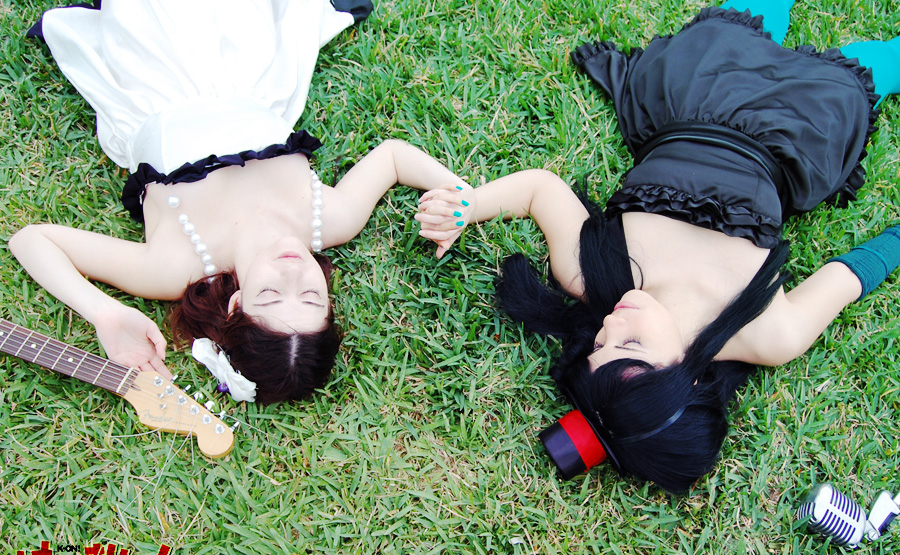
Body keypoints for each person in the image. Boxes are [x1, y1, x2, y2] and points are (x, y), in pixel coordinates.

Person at [415, 1, 900, 492]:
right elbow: (848, 276)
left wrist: (471, 206)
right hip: (793, 131)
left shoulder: (591, 277)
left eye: (598, 345)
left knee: (747, 15)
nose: (611, 324)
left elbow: (541, 190)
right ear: (688, 379)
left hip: (694, 93)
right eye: (631, 345)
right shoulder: (768, 334)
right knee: (873, 69)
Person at [10, 0, 471, 404]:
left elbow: (32, 241)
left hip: (154, 59)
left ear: (235, 306)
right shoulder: (333, 219)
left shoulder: (175, 266)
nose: (293, 272)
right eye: (311, 295)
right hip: (245, 56)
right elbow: (393, 157)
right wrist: (464, 199)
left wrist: (104, 312)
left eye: (270, 294)